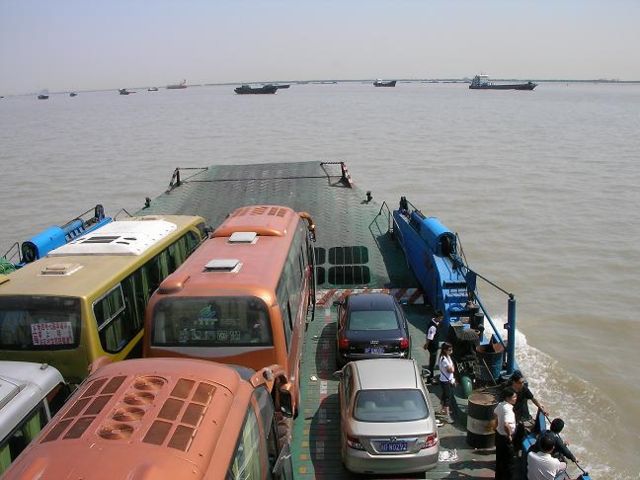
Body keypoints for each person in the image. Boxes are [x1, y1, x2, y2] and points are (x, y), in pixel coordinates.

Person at [494, 386, 517, 480]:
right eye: (514, 397)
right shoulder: (509, 409)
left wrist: (495, 426)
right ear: (508, 398)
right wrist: (510, 436)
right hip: (505, 438)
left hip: (498, 436)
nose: (516, 399)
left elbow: (495, 414)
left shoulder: (500, 405)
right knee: (509, 464)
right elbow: (506, 424)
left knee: (499, 460)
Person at [423, 311, 443, 384]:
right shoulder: (433, 327)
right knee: (432, 363)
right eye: (440, 318)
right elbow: (430, 337)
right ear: (437, 317)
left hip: (432, 346)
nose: (441, 320)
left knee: (432, 362)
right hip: (433, 347)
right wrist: (426, 345)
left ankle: (430, 377)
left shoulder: (434, 323)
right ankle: (430, 378)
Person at [437, 342, 455, 423]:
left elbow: (451, 367)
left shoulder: (447, 356)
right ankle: (447, 417)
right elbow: (450, 370)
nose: (451, 351)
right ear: (445, 350)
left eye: (451, 349)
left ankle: (442, 410)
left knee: (444, 395)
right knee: (447, 398)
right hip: (446, 381)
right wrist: (453, 368)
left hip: (446, 379)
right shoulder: (444, 359)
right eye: (449, 350)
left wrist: (452, 367)